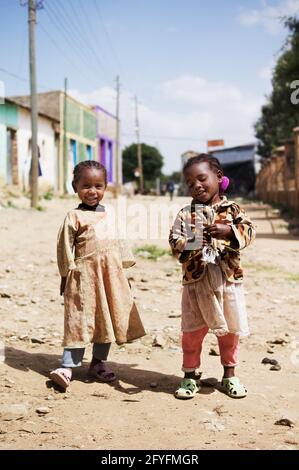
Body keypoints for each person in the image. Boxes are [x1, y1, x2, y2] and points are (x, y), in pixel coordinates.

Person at [50, 160, 145, 390]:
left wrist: (123, 277)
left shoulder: (110, 214)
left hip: (110, 277)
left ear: (105, 187)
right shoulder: (74, 216)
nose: (92, 191)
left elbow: (120, 244)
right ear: (75, 187)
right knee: (78, 320)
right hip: (83, 278)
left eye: (98, 186)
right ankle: (67, 366)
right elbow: (64, 248)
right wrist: (65, 276)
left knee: (105, 321)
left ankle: (98, 363)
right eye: (86, 186)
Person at [169, 154, 256, 399]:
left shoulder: (233, 210)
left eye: (201, 178)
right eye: (190, 182)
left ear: (218, 177)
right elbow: (174, 242)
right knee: (192, 331)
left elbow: (249, 232)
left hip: (227, 280)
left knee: (230, 330)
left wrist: (229, 231)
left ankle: (229, 375)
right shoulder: (186, 214)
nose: (196, 185)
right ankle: (189, 376)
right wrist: (192, 242)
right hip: (196, 283)